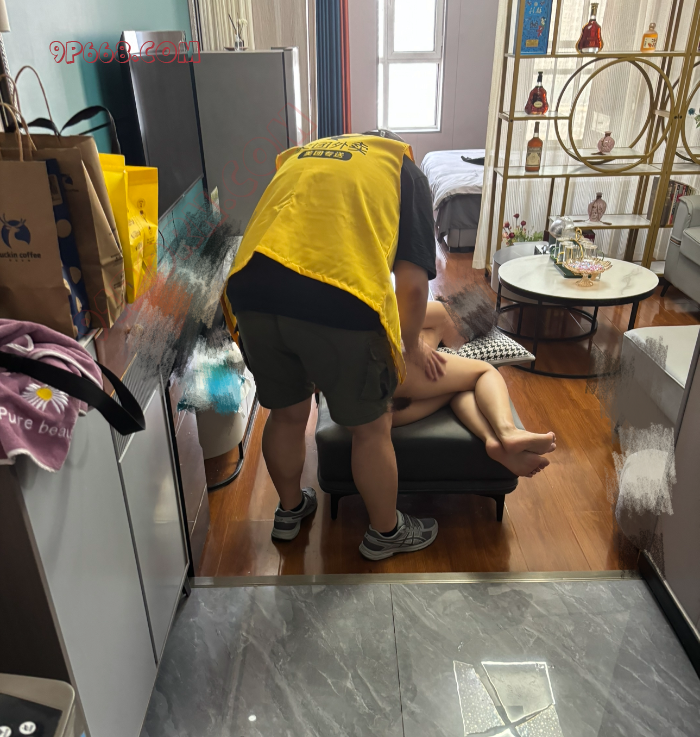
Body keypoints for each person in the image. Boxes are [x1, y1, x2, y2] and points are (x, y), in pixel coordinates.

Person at [224, 130, 446, 561]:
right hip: (338, 293)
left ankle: (290, 510)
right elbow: (414, 286)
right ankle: (385, 532)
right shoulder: (402, 167)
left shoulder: (304, 155)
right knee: (371, 428)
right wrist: (409, 346)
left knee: (286, 415)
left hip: (250, 286)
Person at [392, 301, 556, 477]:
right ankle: (508, 431)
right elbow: (391, 318)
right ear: (461, 319)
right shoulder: (441, 311)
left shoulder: (433, 333)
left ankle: (493, 443)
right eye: (467, 335)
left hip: (386, 412)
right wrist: (414, 344)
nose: (463, 343)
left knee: (458, 388)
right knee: (485, 371)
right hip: (390, 366)